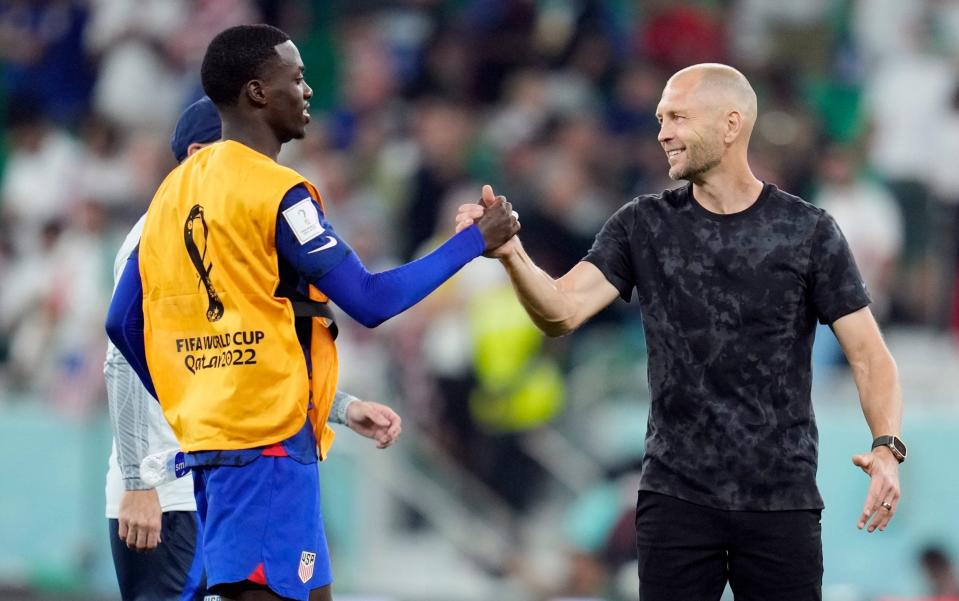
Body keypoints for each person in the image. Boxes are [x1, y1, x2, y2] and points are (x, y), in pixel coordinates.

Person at [457, 63, 904, 600]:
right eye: (660, 118)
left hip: (781, 500)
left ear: (731, 124)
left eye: (678, 117)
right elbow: (561, 312)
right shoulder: (641, 225)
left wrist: (887, 448)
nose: (662, 131)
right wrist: (511, 255)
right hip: (676, 500)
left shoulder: (808, 231)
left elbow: (869, 355)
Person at [105, 24, 518, 601]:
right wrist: (475, 242)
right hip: (267, 447)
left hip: (227, 446)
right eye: (295, 80)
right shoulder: (278, 192)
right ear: (256, 93)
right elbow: (370, 302)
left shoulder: (170, 196)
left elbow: (122, 322)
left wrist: (191, 395)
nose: (308, 92)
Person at [105, 96, 405, 601]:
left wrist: (339, 406)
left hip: (229, 469)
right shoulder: (155, 235)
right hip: (171, 492)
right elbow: (122, 361)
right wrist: (140, 481)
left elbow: (245, 356)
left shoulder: (232, 229)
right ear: (202, 152)